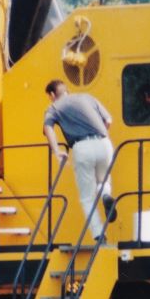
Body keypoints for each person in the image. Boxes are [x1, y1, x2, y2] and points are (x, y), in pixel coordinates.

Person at [42, 79, 117, 242]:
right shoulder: (87, 97)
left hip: (82, 147)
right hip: (104, 143)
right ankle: (106, 196)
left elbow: (48, 128)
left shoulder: (54, 107)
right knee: (103, 181)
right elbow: (108, 121)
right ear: (66, 90)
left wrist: (57, 151)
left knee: (87, 197)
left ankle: (99, 235)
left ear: (53, 95)